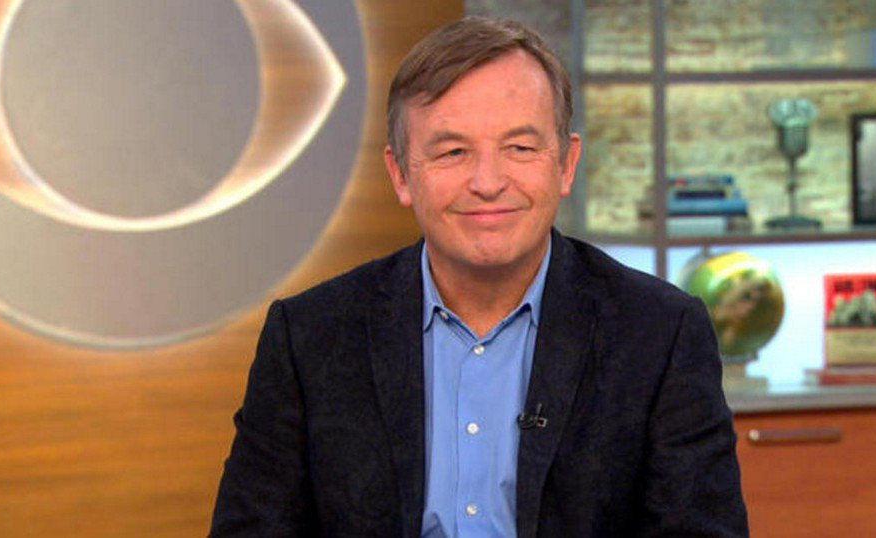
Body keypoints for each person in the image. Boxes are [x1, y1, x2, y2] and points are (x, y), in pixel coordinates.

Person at [210, 17, 747, 537]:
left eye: (520, 148)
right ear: (401, 174)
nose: (488, 182)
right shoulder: (308, 337)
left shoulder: (659, 333)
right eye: (453, 152)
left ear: (565, 164)